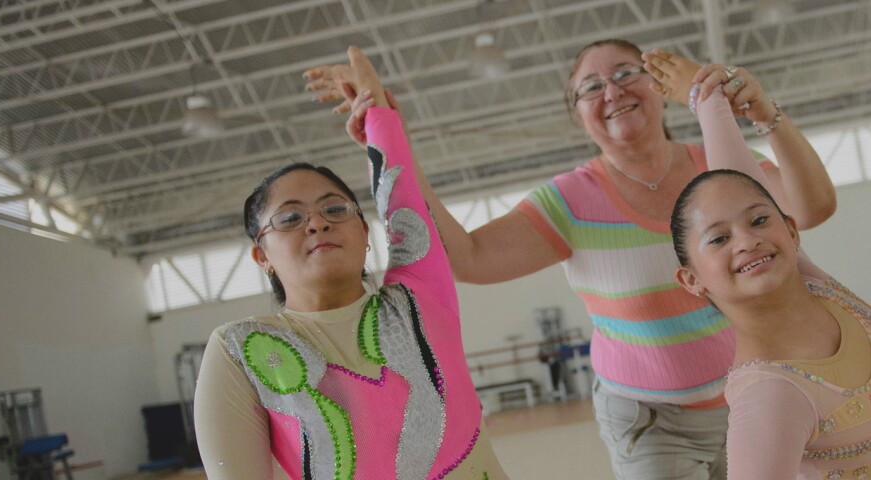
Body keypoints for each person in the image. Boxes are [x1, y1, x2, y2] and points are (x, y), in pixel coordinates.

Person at [303, 40, 837, 479]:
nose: (612, 91)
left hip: (753, 398)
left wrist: (764, 114)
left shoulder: (717, 165)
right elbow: (469, 256)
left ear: (661, 87)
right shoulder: (570, 201)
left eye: (628, 72)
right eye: (590, 87)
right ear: (578, 115)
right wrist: (389, 135)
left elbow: (812, 206)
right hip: (649, 424)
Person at [194, 47, 508, 479]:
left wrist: (377, 111)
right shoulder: (241, 350)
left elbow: (403, 199)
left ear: (365, 233)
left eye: (335, 210)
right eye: (290, 218)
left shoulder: (419, 300)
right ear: (262, 256)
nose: (317, 224)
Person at [647, 49, 871, 480]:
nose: (748, 240)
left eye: (760, 220)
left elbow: (737, 179)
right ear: (692, 280)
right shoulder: (770, 395)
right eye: (718, 238)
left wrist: (714, 100)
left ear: (791, 231)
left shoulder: (811, 284)